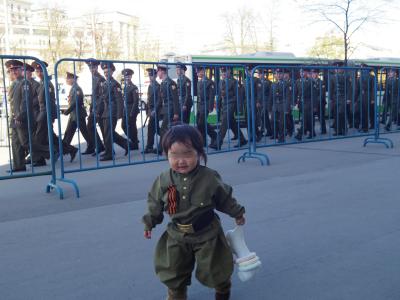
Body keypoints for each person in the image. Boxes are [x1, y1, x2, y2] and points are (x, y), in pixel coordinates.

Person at [142, 124, 246, 300]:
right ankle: (176, 295)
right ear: (166, 154)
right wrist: (149, 222)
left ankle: (222, 290)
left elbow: (224, 198)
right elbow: (155, 202)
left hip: (207, 234)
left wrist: (237, 213)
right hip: (177, 234)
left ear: (199, 153)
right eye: (174, 155)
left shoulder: (209, 177)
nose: (181, 161)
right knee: (173, 272)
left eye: (187, 154)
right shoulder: (164, 180)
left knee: (216, 269)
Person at [5, 59, 50, 172]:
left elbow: (26, 101)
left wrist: (20, 116)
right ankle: (19, 166)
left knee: (26, 142)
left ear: (21, 70)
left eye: (16, 69)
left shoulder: (24, 83)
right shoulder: (14, 84)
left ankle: (50, 152)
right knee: (16, 143)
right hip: (14, 118)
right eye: (11, 70)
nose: (13, 72)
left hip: (22, 118)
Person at [99, 62, 131, 161]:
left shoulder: (115, 84)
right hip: (106, 110)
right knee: (108, 132)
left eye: (108, 71)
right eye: (104, 71)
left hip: (112, 111)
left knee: (108, 133)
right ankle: (125, 143)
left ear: (112, 71)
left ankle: (109, 153)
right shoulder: (104, 83)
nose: (106, 73)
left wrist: (119, 114)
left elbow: (119, 100)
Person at [62, 72, 90, 162]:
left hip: (78, 114)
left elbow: (76, 102)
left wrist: (67, 111)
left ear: (73, 79)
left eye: (68, 78)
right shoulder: (73, 89)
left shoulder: (77, 89)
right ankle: (66, 150)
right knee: (68, 133)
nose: (67, 80)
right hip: (74, 115)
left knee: (85, 132)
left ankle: (96, 146)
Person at [216, 66, 247, 149]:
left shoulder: (234, 82)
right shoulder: (220, 82)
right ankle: (242, 139)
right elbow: (219, 95)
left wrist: (240, 108)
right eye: (222, 72)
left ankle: (218, 142)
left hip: (231, 104)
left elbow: (239, 96)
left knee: (224, 122)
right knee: (232, 123)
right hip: (224, 104)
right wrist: (218, 106)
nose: (223, 74)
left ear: (229, 71)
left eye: (225, 72)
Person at [83, 59, 105, 156]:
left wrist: (96, 110)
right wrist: (91, 107)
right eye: (90, 67)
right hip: (95, 107)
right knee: (99, 127)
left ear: (97, 67)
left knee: (92, 126)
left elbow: (101, 96)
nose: (91, 69)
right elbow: (94, 95)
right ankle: (101, 147)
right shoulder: (94, 77)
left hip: (100, 108)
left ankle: (102, 147)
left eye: (93, 67)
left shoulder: (100, 79)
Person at [157, 63, 180, 154]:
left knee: (164, 129)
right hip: (165, 108)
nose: (157, 73)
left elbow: (175, 99)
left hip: (170, 108)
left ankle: (161, 148)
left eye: (158, 71)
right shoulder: (163, 83)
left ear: (162, 71)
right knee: (168, 129)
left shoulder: (171, 83)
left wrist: (176, 112)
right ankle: (170, 147)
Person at [195, 66, 218, 148]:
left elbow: (212, 96)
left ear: (203, 71)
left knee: (202, 123)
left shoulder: (210, 82)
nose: (197, 73)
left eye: (198, 72)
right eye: (197, 72)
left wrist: (211, 107)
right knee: (199, 123)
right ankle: (203, 141)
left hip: (206, 104)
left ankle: (214, 135)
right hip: (200, 105)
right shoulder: (199, 82)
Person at [143, 68, 162, 153]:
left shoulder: (158, 86)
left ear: (156, 76)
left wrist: (155, 110)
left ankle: (149, 146)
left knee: (152, 128)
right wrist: (148, 111)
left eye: (152, 75)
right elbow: (148, 99)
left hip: (156, 110)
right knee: (154, 129)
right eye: (149, 75)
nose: (150, 77)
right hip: (151, 110)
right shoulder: (150, 86)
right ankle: (149, 146)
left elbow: (159, 100)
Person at [121, 68, 140, 150]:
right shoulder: (126, 87)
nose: (127, 78)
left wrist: (132, 112)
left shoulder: (133, 87)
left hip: (132, 110)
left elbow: (136, 101)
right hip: (126, 110)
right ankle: (134, 140)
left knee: (132, 127)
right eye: (125, 76)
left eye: (128, 76)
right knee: (124, 126)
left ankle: (135, 144)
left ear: (131, 76)